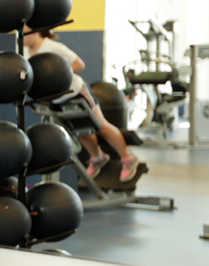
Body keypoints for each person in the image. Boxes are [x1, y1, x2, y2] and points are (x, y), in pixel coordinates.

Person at [24, 29, 139, 181]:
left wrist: (56, 75)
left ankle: (128, 158)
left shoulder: (52, 47)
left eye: (26, 34)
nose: (23, 37)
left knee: (101, 126)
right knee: (81, 131)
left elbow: (79, 64)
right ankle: (98, 157)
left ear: (37, 32)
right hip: (56, 99)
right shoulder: (25, 52)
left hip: (76, 91)